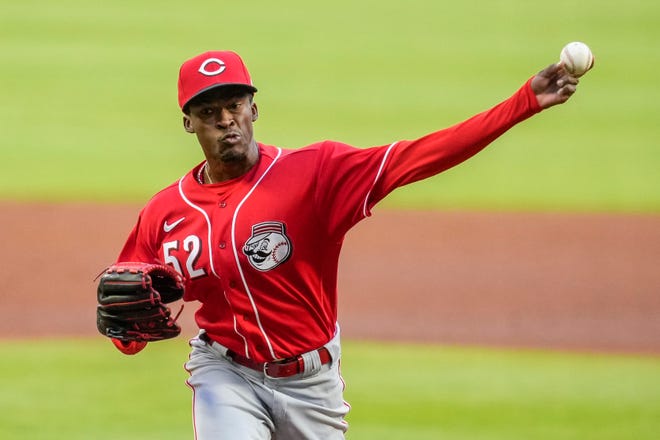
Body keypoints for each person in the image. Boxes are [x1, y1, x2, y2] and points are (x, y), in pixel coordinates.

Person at [110, 49, 581, 439]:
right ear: (189, 123)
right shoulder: (165, 212)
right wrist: (127, 333)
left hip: (311, 384)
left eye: (235, 105)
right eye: (209, 112)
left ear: (255, 108)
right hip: (225, 372)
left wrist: (525, 102)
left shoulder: (316, 173)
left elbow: (418, 157)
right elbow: (125, 322)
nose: (226, 120)